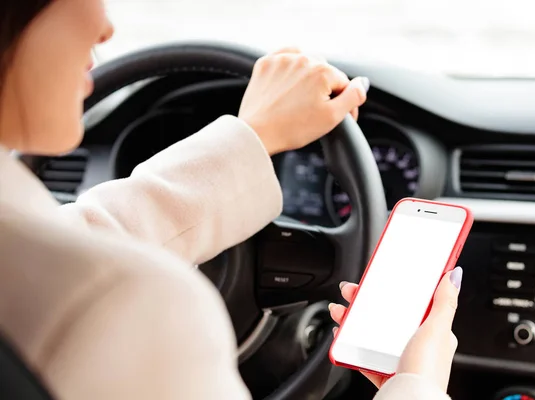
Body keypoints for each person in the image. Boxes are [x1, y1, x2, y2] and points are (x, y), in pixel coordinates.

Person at [0, 0, 462, 399]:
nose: (105, 26)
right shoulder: (134, 309)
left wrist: (254, 137)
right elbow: (89, 273)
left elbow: (74, 242)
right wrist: (417, 386)